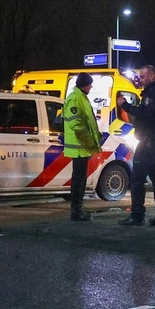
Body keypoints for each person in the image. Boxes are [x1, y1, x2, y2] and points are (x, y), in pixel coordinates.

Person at [115, 65, 155, 226]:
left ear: (151, 76)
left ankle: (137, 215)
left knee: (137, 179)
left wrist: (125, 106)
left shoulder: (153, 93)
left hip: (149, 143)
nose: (140, 80)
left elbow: (144, 113)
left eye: (142, 77)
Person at [64, 72, 103, 222]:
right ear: (84, 84)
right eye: (90, 84)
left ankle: (78, 208)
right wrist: (88, 139)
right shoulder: (76, 98)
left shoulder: (80, 97)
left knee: (80, 179)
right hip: (79, 147)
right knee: (79, 180)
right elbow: (76, 124)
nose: (91, 86)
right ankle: (76, 210)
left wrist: (95, 136)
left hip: (81, 147)